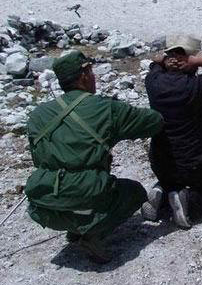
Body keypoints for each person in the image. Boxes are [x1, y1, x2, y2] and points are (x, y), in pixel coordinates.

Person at [25, 50, 164, 264]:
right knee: (134, 192)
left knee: (79, 190)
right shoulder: (104, 108)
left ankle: (76, 225)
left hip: (43, 203)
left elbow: (38, 160)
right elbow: (154, 121)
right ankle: (91, 233)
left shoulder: (37, 115)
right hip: (85, 192)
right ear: (85, 75)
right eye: (91, 71)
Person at [143, 35, 202, 228]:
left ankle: (163, 192)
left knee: (173, 182)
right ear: (189, 60)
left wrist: (166, 60)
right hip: (193, 165)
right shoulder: (196, 86)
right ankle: (188, 202)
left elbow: (154, 61)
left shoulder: (152, 81)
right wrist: (196, 60)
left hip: (161, 162)